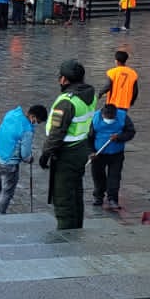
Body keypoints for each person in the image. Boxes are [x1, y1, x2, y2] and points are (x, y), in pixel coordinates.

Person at [38, 59, 97, 230]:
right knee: (76, 192)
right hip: (80, 149)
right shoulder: (90, 96)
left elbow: (57, 132)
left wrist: (45, 154)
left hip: (66, 154)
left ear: (64, 79)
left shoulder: (67, 102)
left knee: (63, 196)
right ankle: (77, 228)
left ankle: (66, 234)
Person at [0, 103, 47, 214]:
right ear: (33, 117)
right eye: (38, 121)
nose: (37, 124)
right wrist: (29, 159)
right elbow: (25, 154)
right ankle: (1, 214)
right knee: (7, 191)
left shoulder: (12, 114)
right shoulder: (27, 130)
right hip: (9, 162)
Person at [89, 103, 136, 211]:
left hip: (116, 153)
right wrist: (90, 152)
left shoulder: (123, 116)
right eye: (107, 118)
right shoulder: (95, 118)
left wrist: (119, 137)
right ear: (103, 114)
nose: (109, 120)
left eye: (112, 118)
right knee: (98, 176)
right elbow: (89, 137)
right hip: (98, 154)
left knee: (114, 177)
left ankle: (113, 199)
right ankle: (98, 197)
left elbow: (130, 132)